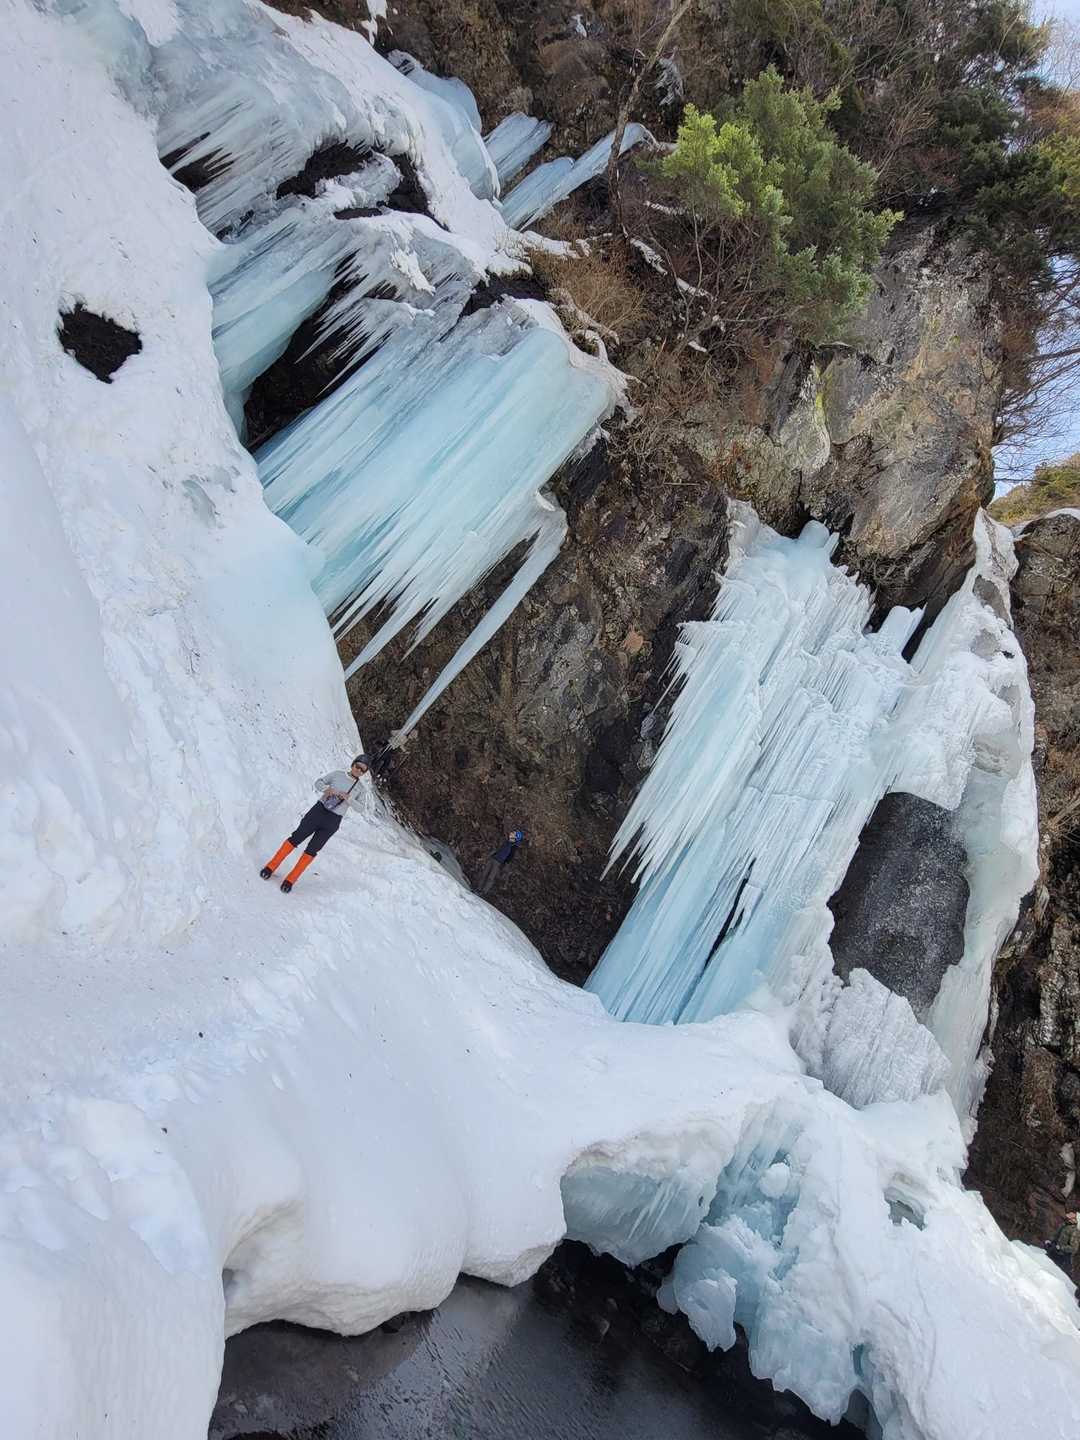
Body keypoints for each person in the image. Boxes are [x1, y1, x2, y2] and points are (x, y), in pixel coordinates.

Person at [261, 755, 371, 893]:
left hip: (333, 821)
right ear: (353, 764)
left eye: (362, 770)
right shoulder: (338, 774)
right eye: (357, 766)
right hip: (318, 811)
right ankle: (270, 867)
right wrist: (327, 789)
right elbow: (318, 783)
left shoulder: (360, 789)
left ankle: (291, 880)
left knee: (313, 849)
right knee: (296, 837)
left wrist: (349, 799)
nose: (358, 770)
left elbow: (361, 808)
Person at [478, 829, 525, 896]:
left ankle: (483, 892)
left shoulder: (513, 847)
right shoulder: (506, 841)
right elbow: (499, 849)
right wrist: (492, 855)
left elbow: (510, 857)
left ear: (516, 837)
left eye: (514, 833)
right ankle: (478, 889)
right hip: (493, 858)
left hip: (498, 863)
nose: (511, 833)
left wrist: (503, 864)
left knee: (490, 878)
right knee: (484, 873)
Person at [1046, 1210, 1080, 1284]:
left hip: (1063, 1258)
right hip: (1054, 1252)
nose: (1067, 1216)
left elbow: (1074, 1248)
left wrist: (1061, 1247)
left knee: (1059, 1278)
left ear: (1074, 1219)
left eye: (1071, 1216)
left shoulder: (1075, 1231)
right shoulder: (1064, 1225)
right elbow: (1056, 1236)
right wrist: (1050, 1242)